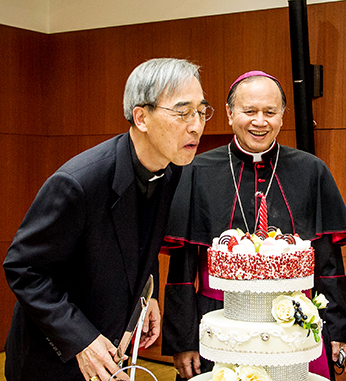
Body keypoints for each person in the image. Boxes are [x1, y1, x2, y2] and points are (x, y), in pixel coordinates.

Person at [3, 58, 213, 381]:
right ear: (141, 117)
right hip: (51, 359)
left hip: (110, 352)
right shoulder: (79, 184)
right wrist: (81, 339)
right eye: (182, 112)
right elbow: (23, 268)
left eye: (201, 111)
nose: (196, 125)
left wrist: (150, 293)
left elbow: (143, 236)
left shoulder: (170, 170)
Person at [162, 71, 346, 381]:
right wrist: (182, 341)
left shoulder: (311, 170)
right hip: (217, 318)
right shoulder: (196, 171)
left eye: (270, 112)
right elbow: (182, 270)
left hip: (294, 322)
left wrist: (337, 332)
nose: (260, 121)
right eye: (249, 111)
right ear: (229, 114)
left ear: (282, 115)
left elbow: (329, 265)